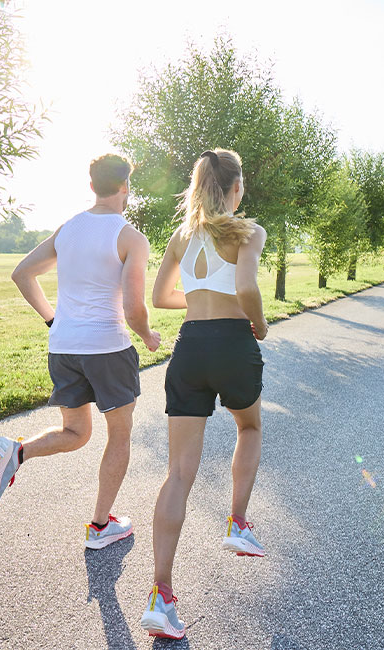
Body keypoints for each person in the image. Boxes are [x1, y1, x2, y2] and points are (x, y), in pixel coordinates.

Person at [0, 153, 160, 552]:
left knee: (76, 432)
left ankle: (15, 452)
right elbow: (133, 308)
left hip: (64, 348)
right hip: (108, 348)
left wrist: (52, 320)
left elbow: (22, 273)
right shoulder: (130, 237)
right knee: (119, 435)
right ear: (126, 186)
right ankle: (101, 525)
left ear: (92, 186)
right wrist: (147, 336)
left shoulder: (68, 229)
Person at [139, 149, 268, 639]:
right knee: (249, 426)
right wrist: (258, 324)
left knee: (178, 473)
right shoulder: (247, 232)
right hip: (233, 343)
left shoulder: (182, 236)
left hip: (189, 347)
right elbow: (248, 287)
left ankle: (161, 596)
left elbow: (159, 298)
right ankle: (238, 524)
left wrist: (197, 300)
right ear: (235, 187)